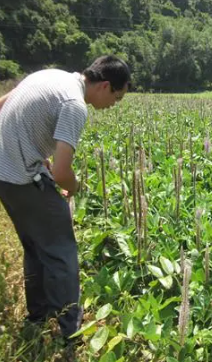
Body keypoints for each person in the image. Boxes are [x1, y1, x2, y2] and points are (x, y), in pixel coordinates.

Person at [0, 55, 130, 344]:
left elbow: (5, 101)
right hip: (23, 179)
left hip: (4, 175)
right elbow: (61, 173)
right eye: (117, 98)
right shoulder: (74, 106)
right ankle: (71, 331)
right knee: (61, 251)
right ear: (105, 85)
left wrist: (23, 148)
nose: (113, 106)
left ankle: (38, 314)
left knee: (35, 246)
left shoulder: (51, 75)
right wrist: (76, 187)